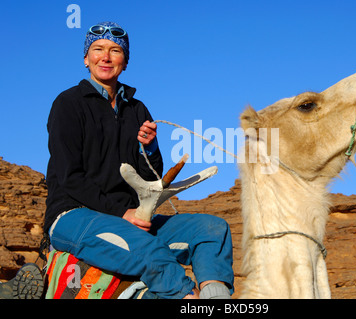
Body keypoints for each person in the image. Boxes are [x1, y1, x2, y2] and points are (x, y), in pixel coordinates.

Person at [43, 21, 234, 299]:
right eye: (97, 49)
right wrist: (123, 214)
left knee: (213, 229)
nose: (106, 57)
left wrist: (151, 147)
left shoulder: (137, 108)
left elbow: (151, 179)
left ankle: (217, 299)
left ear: (125, 61)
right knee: (150, 252)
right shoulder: (68, 103)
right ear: (86, 59)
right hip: (74, 214)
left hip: (131, 216)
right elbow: (70, 176)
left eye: (115, 51)